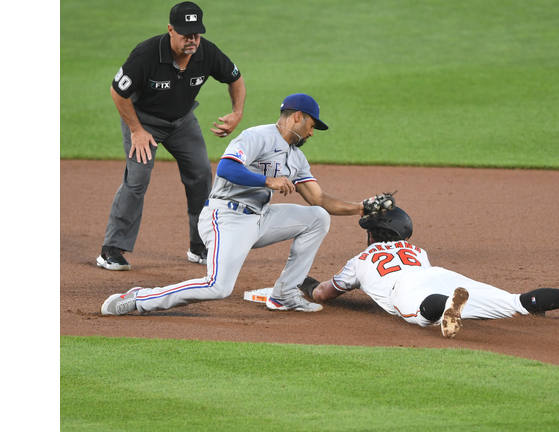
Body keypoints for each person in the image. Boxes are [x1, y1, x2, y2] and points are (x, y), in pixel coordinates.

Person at [101, 93, 371, 316]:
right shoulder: (258, 136)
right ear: (297, 117)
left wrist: (360, 207)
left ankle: (285, 294)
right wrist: (267, 181)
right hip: (226, 216)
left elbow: (319, 199)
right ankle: (139, 299)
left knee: (318, 217)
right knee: (218, 287)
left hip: (259, 219)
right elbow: (226, 169)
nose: (313, 133)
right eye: (312, 125)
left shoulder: (296, 158)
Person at [302, 207, 559, 338]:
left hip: (409, 287)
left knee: (422, 311)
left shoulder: (360, 259)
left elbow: (324, 293)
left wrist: (303, 282)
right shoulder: (417, 250)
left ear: (373, 235)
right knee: (518, 302)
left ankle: (446, 308)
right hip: (444, 274)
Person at [98, 1, 246, 271]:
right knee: (138, 178)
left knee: (201, 174)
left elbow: (235, 77)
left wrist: (237, 113)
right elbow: (118, 92)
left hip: (182, 121)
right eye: (186, 34)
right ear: (170, 30)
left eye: (196, 34)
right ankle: (112, 248)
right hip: (143, 122)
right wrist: (137, 130)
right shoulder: (146, 54)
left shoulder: (207, 52)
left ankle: (199, 245)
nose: (192, 40)